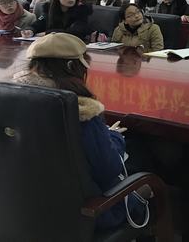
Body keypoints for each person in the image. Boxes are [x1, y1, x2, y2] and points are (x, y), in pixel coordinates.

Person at [12, 33, 150, 231]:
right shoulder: (79, 110)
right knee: (142, 159)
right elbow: (109, 169)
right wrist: (114, 136)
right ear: (71, 67)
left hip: (23, 209)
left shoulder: (10, 99)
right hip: (88, 213)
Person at [24, 0, 92, 41]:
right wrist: (31, 30)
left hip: (72, 45)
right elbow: (39, 23)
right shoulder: (49, 9)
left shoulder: (81, 11)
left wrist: (48, 33)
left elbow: (76, 32)